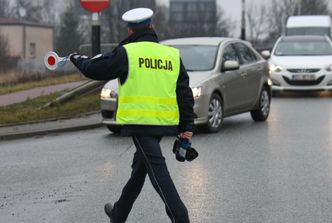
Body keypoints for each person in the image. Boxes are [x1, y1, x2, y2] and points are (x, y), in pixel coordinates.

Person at [70, 8, 195, 223]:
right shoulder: (171, 55)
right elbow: (184, 92)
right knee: (140, 168)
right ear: (152, 26)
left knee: (158, 171)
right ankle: (118, 214)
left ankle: (181, 217)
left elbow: (95, 69)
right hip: (163, 122)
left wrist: (76, 58)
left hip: (140, 123)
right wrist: (187, 126)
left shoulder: (127, 53)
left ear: (129, 29)